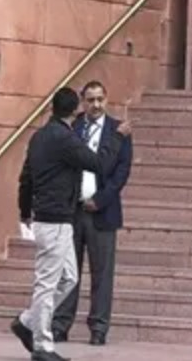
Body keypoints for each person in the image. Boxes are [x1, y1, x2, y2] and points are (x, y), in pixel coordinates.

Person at [10, 87, 102, 361]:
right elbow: (95, 162)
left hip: (54, 218)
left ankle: (27, 322)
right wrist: (118, 138)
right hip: (54, 219)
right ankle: (42, 346)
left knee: (69, 277)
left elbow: (26, 177)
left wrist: (24, 210)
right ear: (75, 110)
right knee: (47, 284)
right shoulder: (64, 138)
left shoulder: (39, 136)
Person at [51, 81, 133, 346]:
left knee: (102, 274)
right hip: (72, 211)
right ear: (82, 102)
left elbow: (121, 172)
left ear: (106, 99)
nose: (96, 105)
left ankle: (98, 328)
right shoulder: (72, 127)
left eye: (100, 99)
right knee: (68, 272)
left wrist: (100, 200)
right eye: (90, 100)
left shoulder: (118, 130)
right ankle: (60, 324)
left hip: (102, 211)